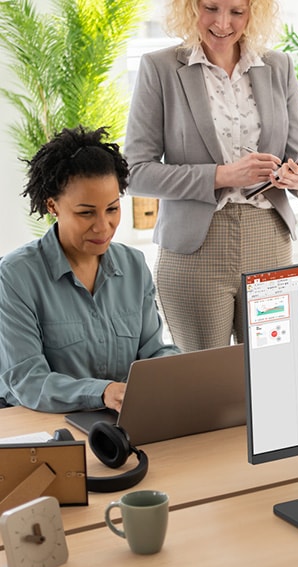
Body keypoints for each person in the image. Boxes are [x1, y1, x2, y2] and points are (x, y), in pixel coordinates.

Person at [125, 0, 298, 352]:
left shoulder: (278, 66)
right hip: (195, 250)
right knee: (208, 378)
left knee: (272, 373)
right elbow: (135, 172)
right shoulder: (160, 68)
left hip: (269, 241)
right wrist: (223, 175)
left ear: (254, 11)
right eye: (211, 8)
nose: (222, 23)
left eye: (236, 12)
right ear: (190, 6)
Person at [0, 126, 179, 413]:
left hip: (122, 418)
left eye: (112, 209)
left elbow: (154, 349)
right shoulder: (15, 276)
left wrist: (174, 369)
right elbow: (27, 380)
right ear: (52, 206)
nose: (103, 226)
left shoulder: (133, 265)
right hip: (46, 422)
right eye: (86, 213)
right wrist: (102, 392)